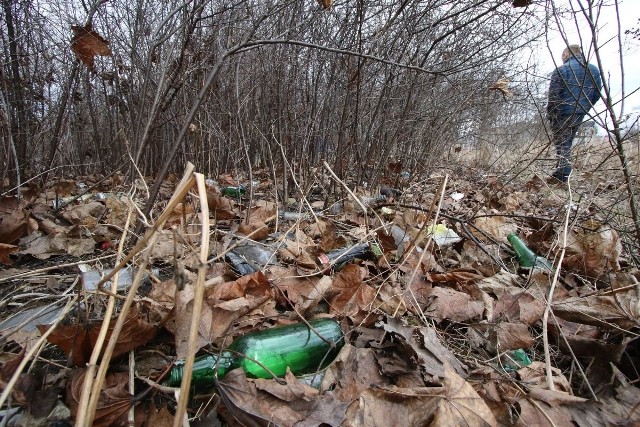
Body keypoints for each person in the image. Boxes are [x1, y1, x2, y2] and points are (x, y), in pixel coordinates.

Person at [546, 44, 602, 183]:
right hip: (580, 112)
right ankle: (561, 171)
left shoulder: (562, 70)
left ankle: (563, 174)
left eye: (562, 56)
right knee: (567, 142)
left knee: (562, 142)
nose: (562, 59)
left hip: (562, 112)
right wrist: (585, 106)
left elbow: (553, 95)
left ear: (566, 54)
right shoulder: (593, 70)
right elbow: (597, 93)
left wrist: (552, 114)